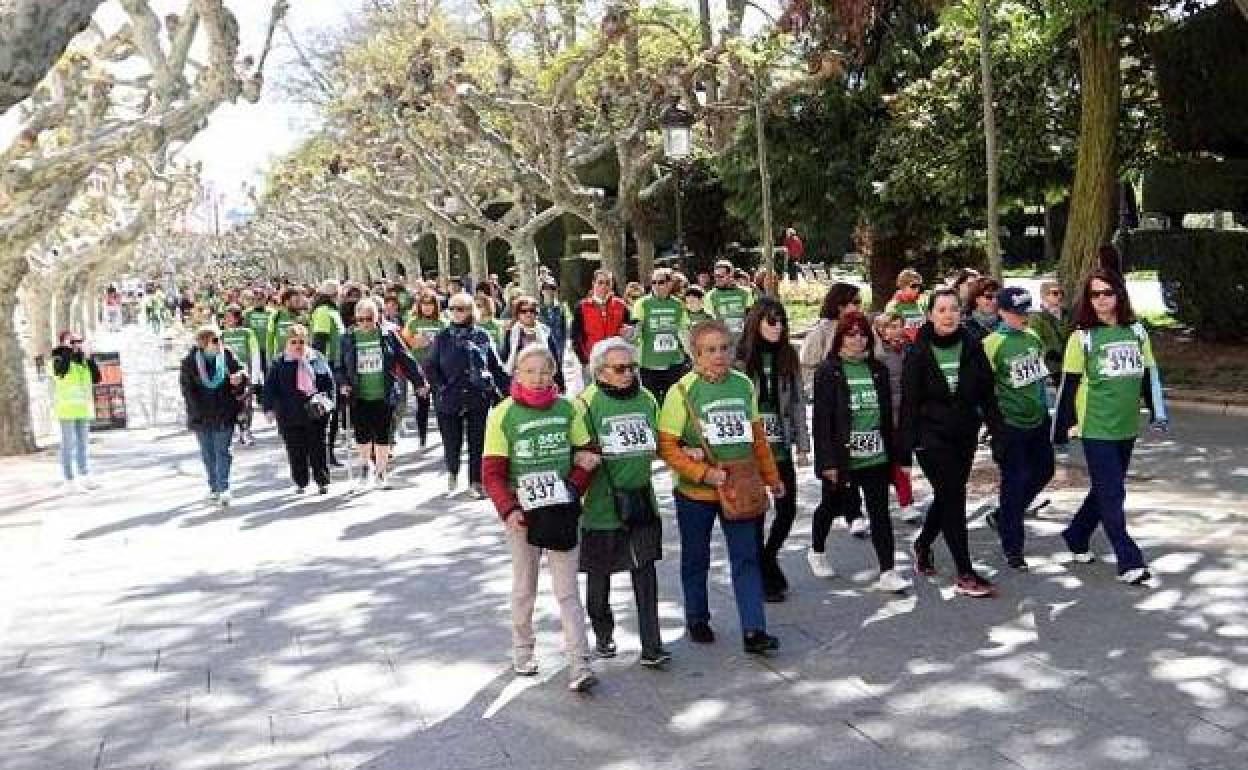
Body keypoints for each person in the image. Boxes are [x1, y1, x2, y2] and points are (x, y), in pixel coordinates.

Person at [658, 320, 783, 655]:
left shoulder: (743, 385)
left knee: (746, 558)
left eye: (724, 348)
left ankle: (754, 629)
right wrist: (701, 473)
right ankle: (697, 618)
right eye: (710, 350)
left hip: (741, 487)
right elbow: (667, 445)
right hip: (696, 494)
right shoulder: (682, 391)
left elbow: (757, 438)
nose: (719, 356)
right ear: (695, 354)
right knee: (696, 557)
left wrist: (772, 478)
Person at [482, 344, 600, 692]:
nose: (537, 379)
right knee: (525, 587)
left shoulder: (568, 408)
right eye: (529, 372)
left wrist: (574, 488)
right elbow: (491, 472)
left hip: (561, 511)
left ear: (553, 375)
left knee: (567, 591)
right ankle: (522, 650)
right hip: (522, 514)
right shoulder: (503, 413)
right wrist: (509, 509)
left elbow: (588, 455)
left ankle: (579, 663)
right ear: (517, 374)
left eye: (544, 372)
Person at [1052, 269, 1168, 586]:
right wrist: (1061, 431)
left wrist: (1159, 412)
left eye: (1107, 292)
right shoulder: (1082, 338)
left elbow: (1150, 374)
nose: (1102, 299)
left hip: (1126, 427)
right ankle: (1128, 559)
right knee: (1114, 492)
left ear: (1119, 294)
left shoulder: (1137, 332)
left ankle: (1076, 535)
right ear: (1089, 300)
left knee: (1104, 490)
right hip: (1096, 428)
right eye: (1095, 294)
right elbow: (1068, 387)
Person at [573, 338, 670, 667]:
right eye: (620, 368)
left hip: (641, 501)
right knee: (599, 583)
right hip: (600, 507)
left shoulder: (646, 399)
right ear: (600, 372)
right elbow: (575, 451)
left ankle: (652, 645)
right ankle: (603, 633)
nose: (629, 373)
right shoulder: (584, 404)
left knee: (646, 575)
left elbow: (660, 440)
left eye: (632, 367)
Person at [899, 288, 1002, 598]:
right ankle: (965, 572)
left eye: (954, 309)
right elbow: (908, 404)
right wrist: (904, 454)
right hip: (931, 437)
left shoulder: (972, 346)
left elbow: (987, 393)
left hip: (964, 434)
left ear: (961, 313)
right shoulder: (918, 352)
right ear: (930, 315)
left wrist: (999, 432)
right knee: (953, 497)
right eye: (941, 309)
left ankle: (923, 543)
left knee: (948, 495)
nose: (948, 315)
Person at [811, 311, 911, 594]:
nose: (858, 340)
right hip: (843, 457)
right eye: (851, 334)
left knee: (880, 513)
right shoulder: (829, 371)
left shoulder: (877, 369)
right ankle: (817, 550)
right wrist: (827, 461)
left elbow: (886, 414)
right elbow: (822, 421)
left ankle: (888, 570)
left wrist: (898, 454)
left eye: (862, 334)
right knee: (830, 505)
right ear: (840, 338)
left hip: (875, 455)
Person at [736, 299, 810, 602]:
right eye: (771, 320)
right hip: (749, 451)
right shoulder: (739, 359)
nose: (778, 326)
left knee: (787, 508)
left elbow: (796, 402)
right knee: (754, 514)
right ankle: (762, 575)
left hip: (778, 447)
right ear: (756, 323)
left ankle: (768, 557)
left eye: (781, 320)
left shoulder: (788, 355)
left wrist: (803, 446)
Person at [982, 287, 1055, 570]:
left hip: (1037, 420)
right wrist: (992, 423)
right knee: (1014, 480)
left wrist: (1045, 412)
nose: (1022, 318)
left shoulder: (1033, 338)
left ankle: (1003, 516)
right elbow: (983, 389)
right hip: (1009, 425)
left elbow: (1038, 380)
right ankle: (1013, 548)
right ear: (1001, 312)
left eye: (1025, 312)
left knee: (1044, 471)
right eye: (1016, 313)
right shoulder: (992, 344)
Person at [338, 298, 428, 492]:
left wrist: (420, 382)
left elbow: (406, 359)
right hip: (359, 394)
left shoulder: (388, 335)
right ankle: (364, 466)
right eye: (360, 319)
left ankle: (380, 471)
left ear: (377, 317)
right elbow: (340, 367)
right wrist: (344, 383)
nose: (364, 323)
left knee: (383, 435)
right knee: (362, 435)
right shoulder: (348, 338)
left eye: (368, 319)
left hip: (384, 393)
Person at [800, 282, 869, 537]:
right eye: (850, 303)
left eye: (858, 303)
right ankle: (850, 513)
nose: (855, 308)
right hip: (832, 407)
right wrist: (817, 390)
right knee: (837, 462)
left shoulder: (864, 329)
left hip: (861, 406)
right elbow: (806, 364)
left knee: (858, 461)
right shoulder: (821, 332)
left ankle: (854, 510)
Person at [427, 293, 509, 498]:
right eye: (452, 308)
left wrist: (509, 392)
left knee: (477, 442)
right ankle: (452, 471)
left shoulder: (482, 336)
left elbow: (496, 366)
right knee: (452, 441)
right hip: (449, 397)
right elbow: (430, 366)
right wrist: (440, 388)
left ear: (471, 311)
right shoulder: (442, 337)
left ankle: (476, 481)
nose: (455, 313)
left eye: (461, 308)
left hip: (477, 395)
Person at [262, 324, 336, 495]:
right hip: (289, 414)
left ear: (307, 341)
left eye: (301, 342)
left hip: (315, 412)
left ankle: (322, 481)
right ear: (287, 343)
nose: (298, 346)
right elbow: (269, 387)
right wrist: (269, 408)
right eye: (293, 342)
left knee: (318, 448)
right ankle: (301, 481)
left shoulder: (316, 358)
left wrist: (330, 403)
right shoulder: (280, 362)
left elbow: (328, 382)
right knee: (296, 450)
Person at [180, 326, 248, 507]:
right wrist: (197, 413)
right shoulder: (189, 363)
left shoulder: (226, 356)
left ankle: (224, 487)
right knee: (208, 454)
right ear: (203, 343)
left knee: (223, 451)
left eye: (220, 339)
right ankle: (213, 487)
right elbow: (187, 392)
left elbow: (242, 372)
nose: (220, 343)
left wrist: (240, 377)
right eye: (215, 340)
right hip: (201, 416)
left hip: (224, 412)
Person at [872, 312, 921, 524]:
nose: (895, 331)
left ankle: (904, 500)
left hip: (907, 416)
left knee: (902, 461)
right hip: (887, 417)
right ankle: (904, 501)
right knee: (895, 462)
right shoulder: (877, 355)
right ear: (881, 331)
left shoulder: (910, 349)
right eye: (890, 327)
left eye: (898, 326)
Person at [50, 331, 102, 491]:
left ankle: (85, 475)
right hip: (66, 409)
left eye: (80, 340)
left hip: (83, 409)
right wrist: (65, 350)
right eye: (73, 341)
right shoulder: (58, 357)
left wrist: (89, 358)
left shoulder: (83, 361)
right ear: (65, 343)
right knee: (68, 445)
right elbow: (61, 371)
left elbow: (97, 378)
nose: (77, 344)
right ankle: (69, 480)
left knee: (82, 445)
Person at [632, 268, 690, 406]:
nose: (657, 286)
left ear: (670, 284)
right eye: (653, 282)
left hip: (673, 363)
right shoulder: (642, 303)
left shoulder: (678, 305)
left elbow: (684, 333)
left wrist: (693, 356)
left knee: (673, 403)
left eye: (661, 282)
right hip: (649, 363)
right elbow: (636, 329)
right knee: (652, 403)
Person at [799, 282, 863, 393]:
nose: (860, 307)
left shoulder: (862, 328)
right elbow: (807, 369)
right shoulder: (819, 332)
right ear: (840, 306)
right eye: (856, 302)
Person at [570, 269, 632, 380]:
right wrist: (585, 360)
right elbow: (576, 337)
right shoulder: (582, 307)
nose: (604, 286)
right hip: (592, 362)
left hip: (616, 364)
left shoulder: (621, 306)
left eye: (608, 283)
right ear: (593, 284)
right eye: (600, 282)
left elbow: (629, 331)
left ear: (612, 285)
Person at [403, 290, 445, 447]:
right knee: (423, 403)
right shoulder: (413, 322)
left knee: (441, 403)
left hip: (439, 369)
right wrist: (416, 342)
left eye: (430, 304)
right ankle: (422, 436)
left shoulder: (442, 323)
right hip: (420, 369)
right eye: (424, 304)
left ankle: (445, 434)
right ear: (419, 305)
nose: (427, 307)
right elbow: (405, 343)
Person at [220, 306, 263, 445]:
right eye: (225, 316)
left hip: (245, 374)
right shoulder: (222, 335)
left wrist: (255, 375)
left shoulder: (247, 333)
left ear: (237, 318)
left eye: (229, 316)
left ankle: (246, 430)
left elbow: (254, 353)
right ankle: (237, 431)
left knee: (246, 403)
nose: (226, 319)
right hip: (228, 375)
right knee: (232, 403)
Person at [500, 296, 563, 389]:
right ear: (518, 314)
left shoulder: (545, 331)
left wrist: (559, 383)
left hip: (542, 378)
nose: (528, 314)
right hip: (519, 379)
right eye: (523, 311)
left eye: (532, 311)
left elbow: (554, 358)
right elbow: (505, 357)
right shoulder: (511, 333)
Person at [1029, 280, 1069, 381]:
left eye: (1061, 293)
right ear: (1044, 296)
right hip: (1051, 369)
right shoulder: (1036, 318)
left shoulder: (1069, 314)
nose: (1059, 296)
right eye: (1055, 293)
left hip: (1070, 366)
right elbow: (1035, 342)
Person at [705, 260, 753, 340]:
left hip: (742, 340)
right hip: (723, 342)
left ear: (731, 275)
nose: (718, 279)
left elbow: (751, 317)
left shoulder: (746, 292)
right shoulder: (710, 296)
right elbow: (709, 321)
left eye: (721, 276)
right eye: (716, 276)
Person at [536, 279, 569, 381]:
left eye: (552, 288)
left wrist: (563, 345)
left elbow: (564, 328)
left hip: (558, 344)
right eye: (546, 288)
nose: (549, 291)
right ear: (542, 291)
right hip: (543, 344)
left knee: (557, 369)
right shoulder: (537, 309)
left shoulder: (560, 308)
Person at [885, 268, 927, 343]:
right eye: (913, 286)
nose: (917, 289)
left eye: (919, 286)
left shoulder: (921, 302)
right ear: (903, 287)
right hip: (905, 346)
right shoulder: (894, 306)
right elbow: (890, 331)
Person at [265, 287, 307, 361]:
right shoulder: (276, 316)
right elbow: (269, 340)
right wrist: (270, 360)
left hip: (300, 360)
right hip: (281, 360)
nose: (298, 304)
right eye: (296, 301)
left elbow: (308, 340)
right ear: (287, 302)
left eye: (299, 301)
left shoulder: (304, 317)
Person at [963, 275, 1001, 345]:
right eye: (988, 297)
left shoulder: (1007, 322)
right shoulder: (965, 327)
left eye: (997, 297)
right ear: (976, 299)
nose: (994, 301)